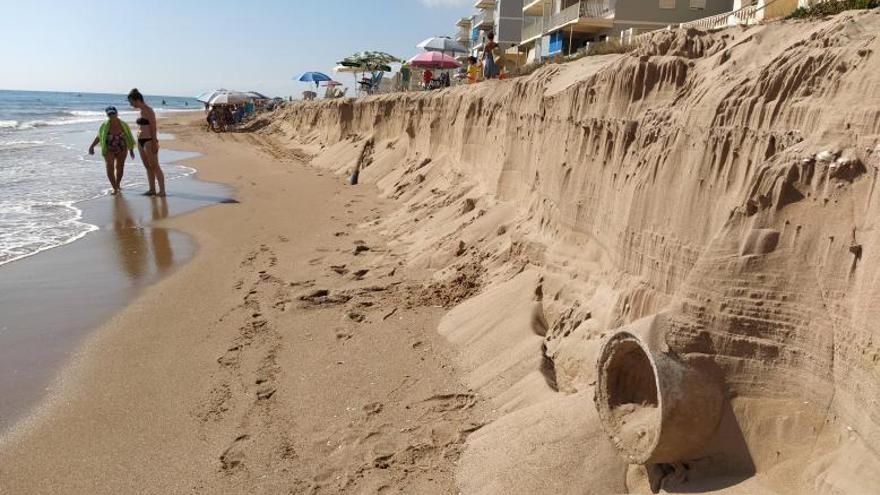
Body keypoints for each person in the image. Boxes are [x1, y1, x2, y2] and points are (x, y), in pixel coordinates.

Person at [88, 106, 135, 195]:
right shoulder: (104, 125)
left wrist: (131, 149)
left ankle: (117, 185)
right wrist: (92, 146)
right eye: (109, 114)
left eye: (113, 113)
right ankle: (114, 188)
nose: (112, 115)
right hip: (108, 147)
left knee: (120, 167)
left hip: (122, 146)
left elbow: (129, 137)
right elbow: (99, 136)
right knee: (109, 167)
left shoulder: (124, 124)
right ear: (107, 115)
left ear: (117, 113)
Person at [128, 88, 166, 196]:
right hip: (140, 141)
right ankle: (152, 189)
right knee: (147, 166)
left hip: (149, 140)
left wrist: (154, 142)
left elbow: (153, 127)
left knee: (155, 165)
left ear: (137, 100)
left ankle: (162, 190)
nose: (131, 105)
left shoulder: (149, 110)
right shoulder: (140, 111)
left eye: (131, 102)